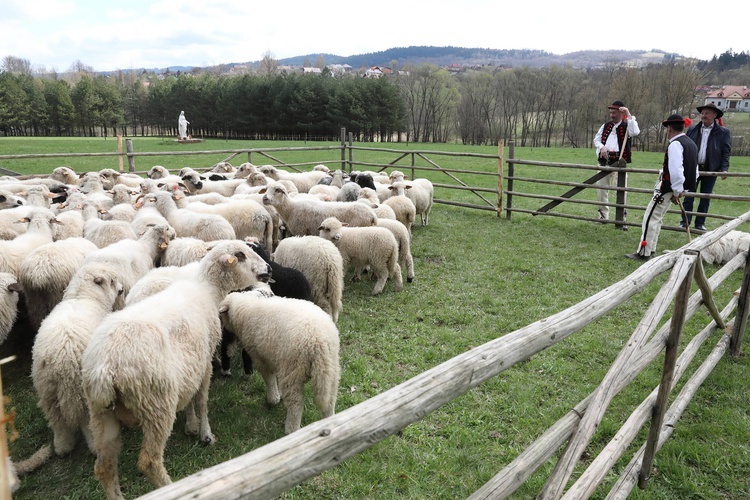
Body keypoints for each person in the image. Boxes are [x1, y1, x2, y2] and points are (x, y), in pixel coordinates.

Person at [626, 114, 698, 261]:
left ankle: (644, 252)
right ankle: (650, 249)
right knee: (656, 219)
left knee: (650, 218)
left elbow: (676, 171)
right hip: (674, 188)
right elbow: (694, 172)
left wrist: (677, 191)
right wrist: (682, 190)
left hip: (667, 188)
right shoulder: (691, 143)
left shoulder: (675, 144)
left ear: (669, 128)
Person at [681, 103, 731, 232]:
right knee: (688, 196)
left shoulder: (723, 132)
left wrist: (724, 168)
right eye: (702, 113)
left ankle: (700, 223)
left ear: (715, 115)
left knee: (705, 197)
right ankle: (685, 222)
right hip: (693, 168)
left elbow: (726, 151)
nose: (704, 115)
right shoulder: (692, 130)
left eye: (707, 113)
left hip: (711, 169)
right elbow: (685, 148)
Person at [593, 100, 640, 223]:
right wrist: (602, 147)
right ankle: (603, 217)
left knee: (621, 191)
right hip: (604, 162)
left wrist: (629, 114)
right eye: (611, 113)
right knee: (601, 190)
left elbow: (636, 132)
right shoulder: (606, 126)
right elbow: (596, 139)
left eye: (614, 113)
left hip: (620, 162)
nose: (612, 115)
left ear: (621, 113)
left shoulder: (627, 126)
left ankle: (621, 218)